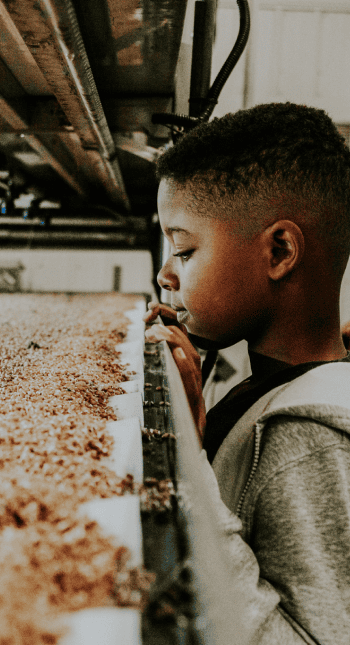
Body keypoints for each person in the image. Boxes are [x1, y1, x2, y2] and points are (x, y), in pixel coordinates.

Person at [143, 103, 350, 644]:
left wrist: (186, 464)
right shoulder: (274, 385)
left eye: (183, 249)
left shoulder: (309, 440)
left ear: (280, 250)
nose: (165, 274)